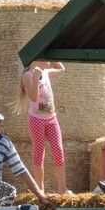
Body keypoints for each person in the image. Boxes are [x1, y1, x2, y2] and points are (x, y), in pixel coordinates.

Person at [18, 60, 71, 194]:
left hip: (51, 118)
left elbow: (62, 69)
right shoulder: (28, 76)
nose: (48, 61)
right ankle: (40, 188)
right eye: (45, 58)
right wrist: (36, 78)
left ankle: (62, 188)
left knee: (58, 150)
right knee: (39, 151)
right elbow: (33, 97)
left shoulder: (46, 73)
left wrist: (54, 59)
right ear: (36, 60)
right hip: (36, 119)